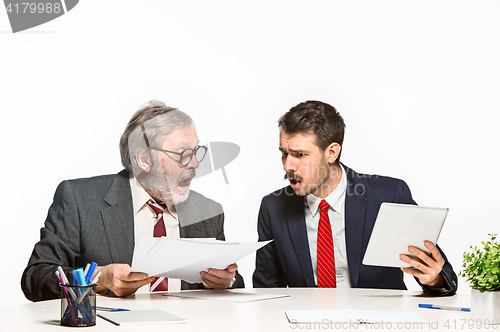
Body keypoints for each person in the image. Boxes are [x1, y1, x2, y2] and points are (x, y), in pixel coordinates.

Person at [22, 100, 244, 302]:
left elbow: (233, 282)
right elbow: (36, 278)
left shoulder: (208, 211)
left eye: (196, 151)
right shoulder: (79, 200)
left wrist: (226, 282)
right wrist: (98, 280)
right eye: (183, 153)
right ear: (144, 159)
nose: (195, 163)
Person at [253, 100, 457, 295]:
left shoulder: (389, 195)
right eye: (284, 153)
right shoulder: (273, 207)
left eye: (300, 155)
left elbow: (441, 275)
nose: (288, 165)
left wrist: (433, 279)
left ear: (331, 152)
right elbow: (267, 292)